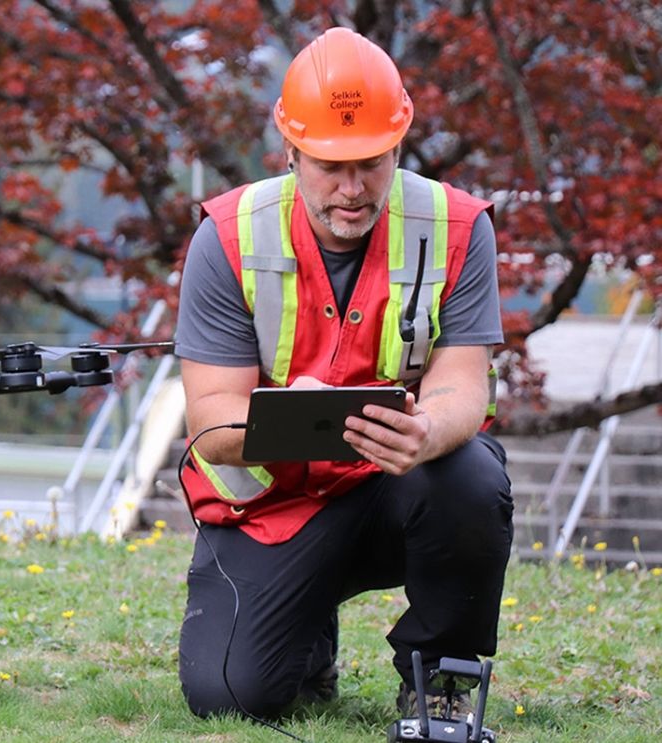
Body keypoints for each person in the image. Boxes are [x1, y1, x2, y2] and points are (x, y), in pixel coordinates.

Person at [173, 27, 513, 720]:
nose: (352, 189)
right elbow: (209, 420)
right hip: (272, 511)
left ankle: (439, 678)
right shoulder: (227, 236)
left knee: (469, 473)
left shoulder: (456, 225)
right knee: (232, 697)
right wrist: (286, 423)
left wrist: (426, 430)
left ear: (398, 145)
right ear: (290, 150)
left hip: (395, 492)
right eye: (329, 165)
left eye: (371, 161)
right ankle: (305, 641)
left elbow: (462, 384)